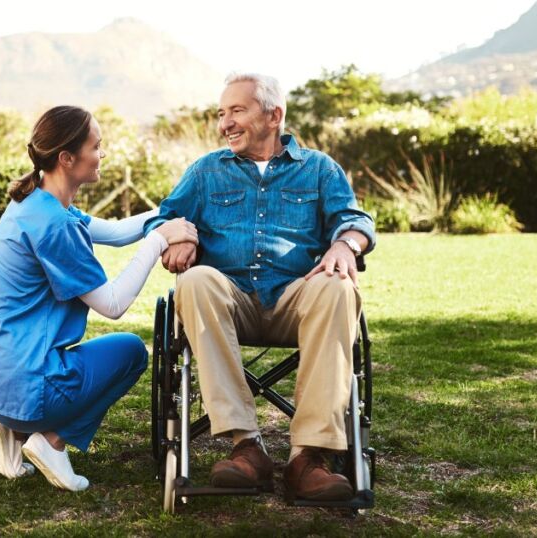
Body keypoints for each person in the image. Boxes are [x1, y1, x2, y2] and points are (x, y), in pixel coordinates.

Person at [143, 73, 377, 501]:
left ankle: (309, 458)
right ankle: (246, 448)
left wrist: (346, 245)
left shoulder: (319, 169)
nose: (224, 124)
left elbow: (356, 219)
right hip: (227, 299)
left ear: (274, 116)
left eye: (236, 111)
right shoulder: (206, 171)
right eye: (221, 114)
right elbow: (162, 218)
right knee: (194, 281)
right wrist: (177, 235)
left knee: (338, 286)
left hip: (296, 298)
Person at [0, 105, 198, 491]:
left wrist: (170, 214)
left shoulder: (35, 202)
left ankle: (9, 429)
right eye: (96, 146)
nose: (101, 154)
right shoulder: (55, 225)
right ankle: (50, 441)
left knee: (73, 356)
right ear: (66, 158)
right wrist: (160, 239)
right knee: (130, 353)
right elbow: (112, 305)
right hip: (26, 387)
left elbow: (120, 231)